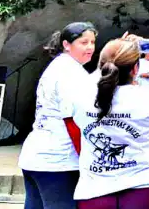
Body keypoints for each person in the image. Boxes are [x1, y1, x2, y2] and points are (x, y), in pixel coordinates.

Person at [72, 35, 149, 209]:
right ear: (136, 69)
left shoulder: (80, 94)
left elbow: (97, 76)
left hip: (94, 191)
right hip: (142, 189)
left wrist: (115, 50)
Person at [18, 22, 97, 209]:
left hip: (37, 156)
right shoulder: (69, 73)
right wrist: (88, 159)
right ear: (66, 45)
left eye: (93, 42)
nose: (90, 47)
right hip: (57, 161)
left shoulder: (62, 66)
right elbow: (72, 122)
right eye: (83, 42)